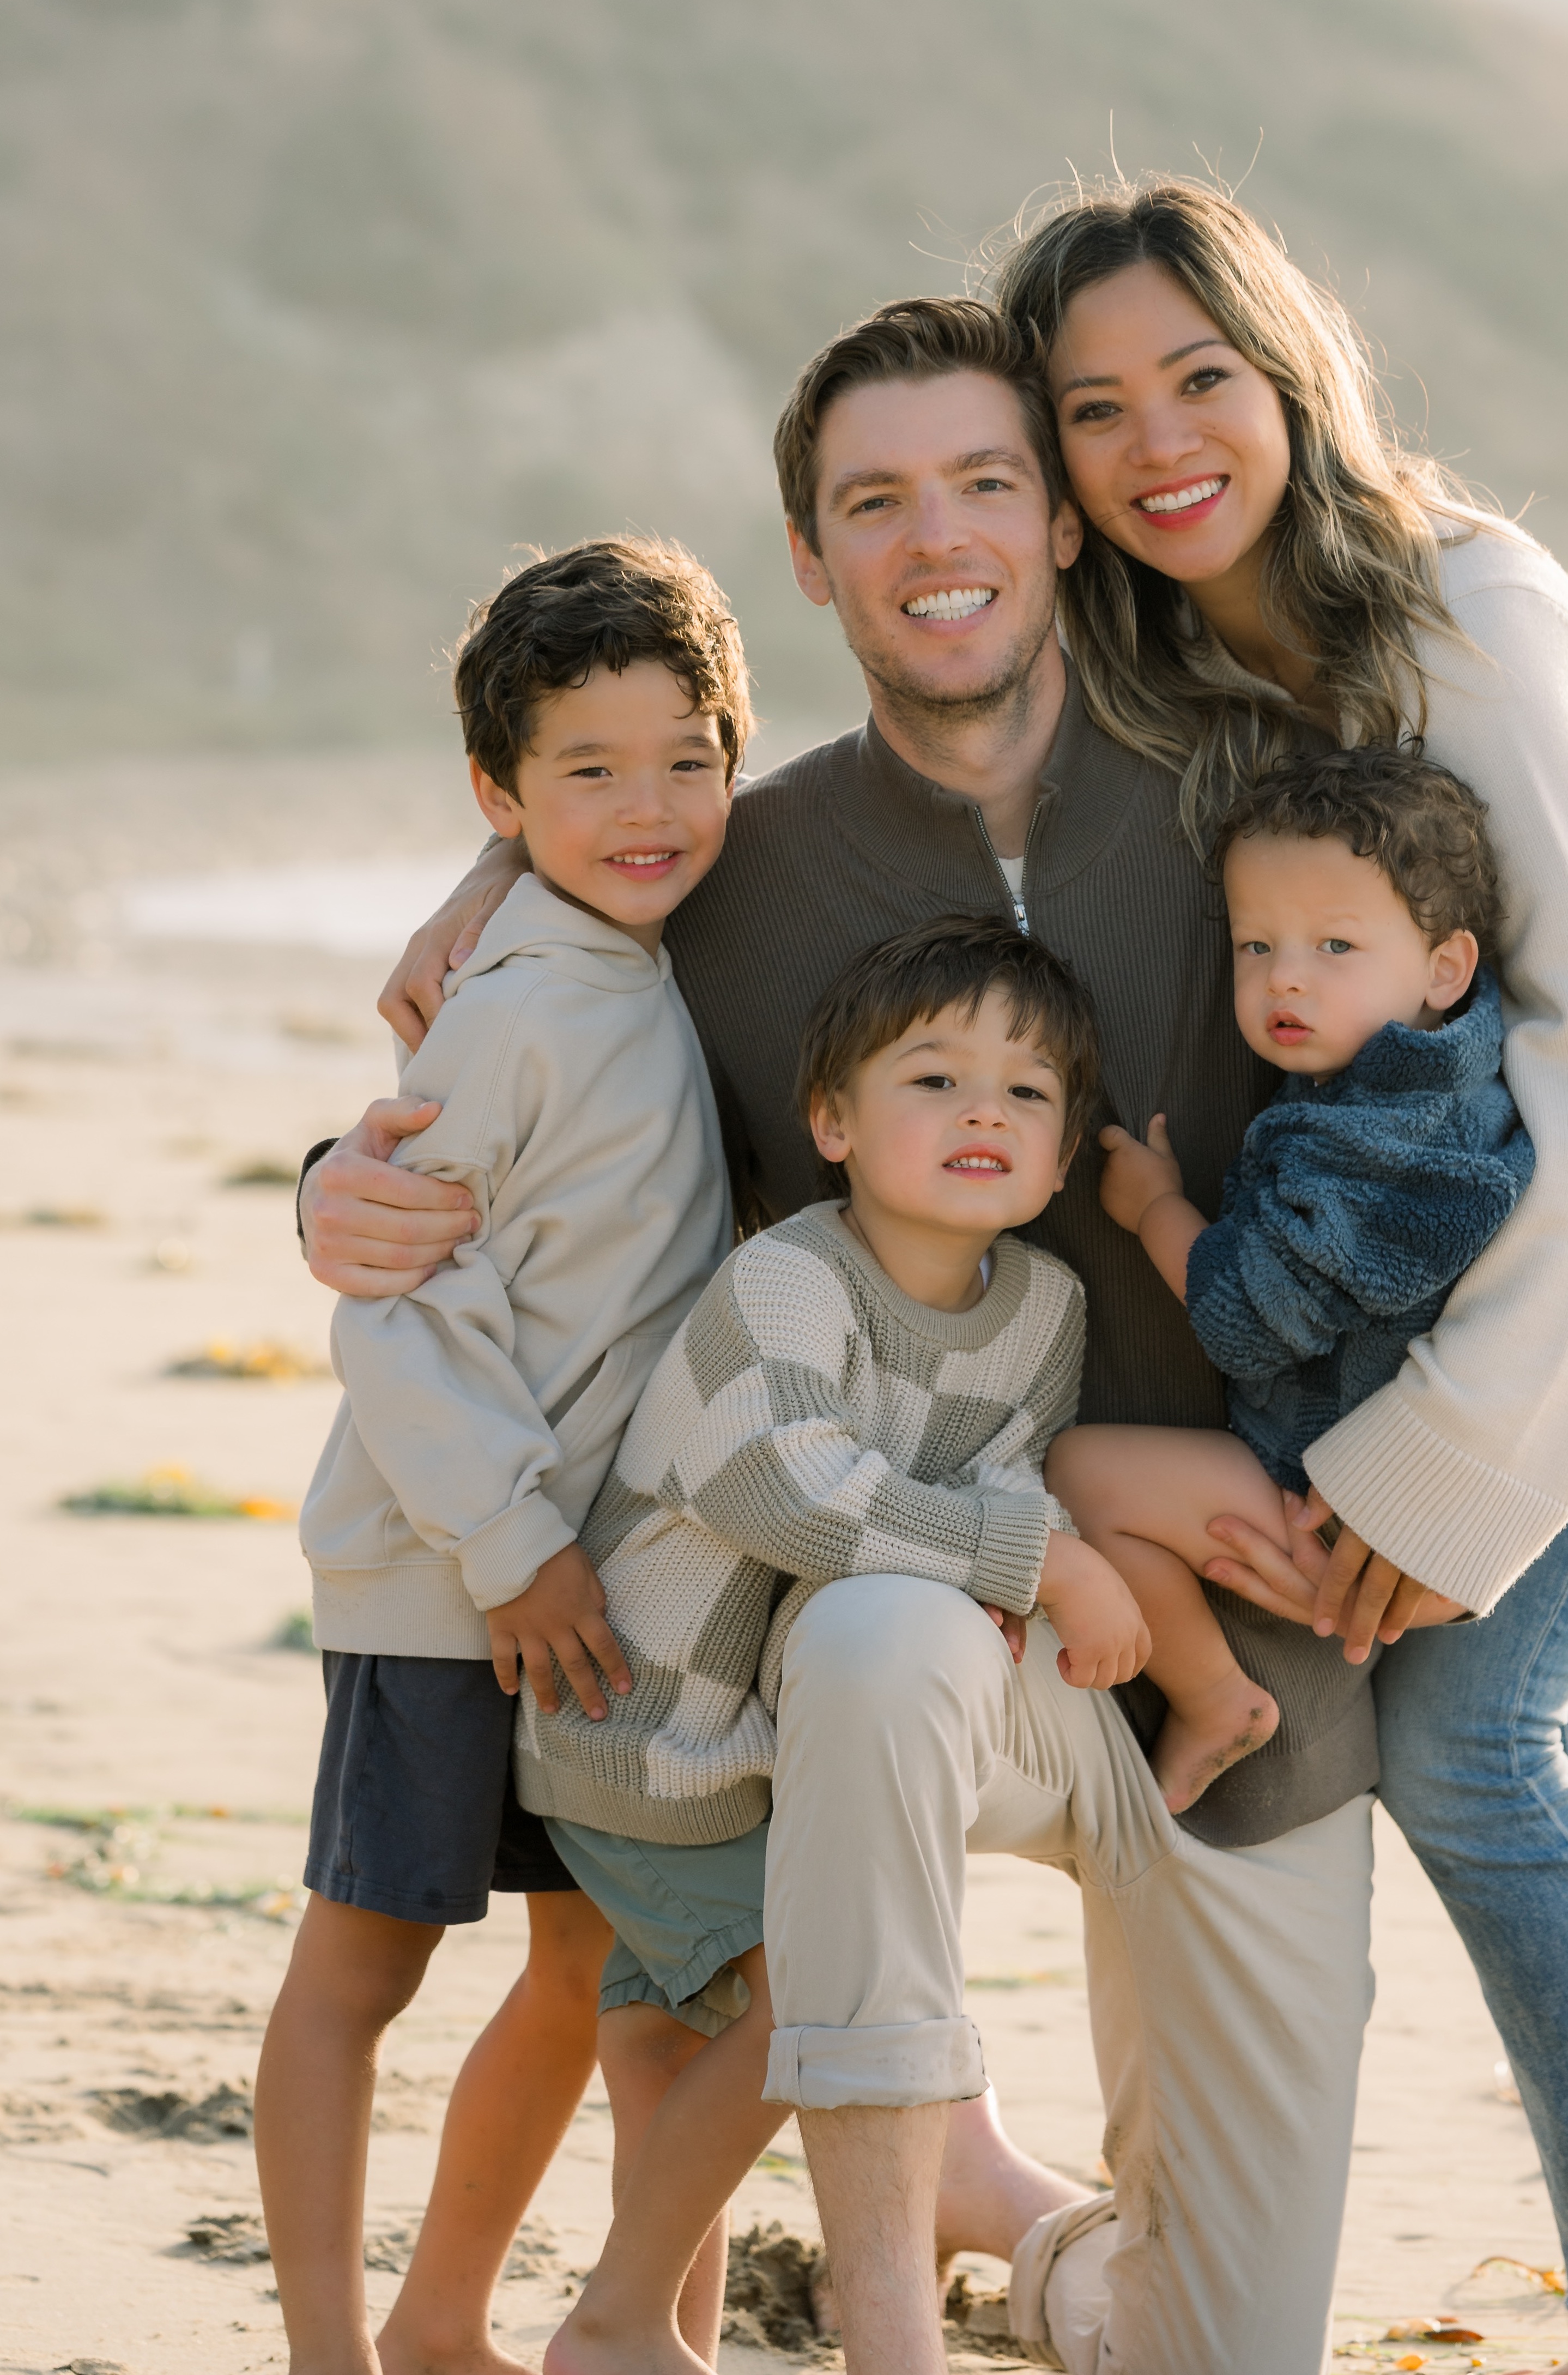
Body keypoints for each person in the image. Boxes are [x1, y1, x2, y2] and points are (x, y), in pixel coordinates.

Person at [302, 297, 1382, 2375]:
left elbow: (1479, 1041)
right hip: (893, 1603)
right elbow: (550, 975)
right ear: (808, 554)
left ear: (1061, 517)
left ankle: (1040, 2249)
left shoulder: (1253, 792)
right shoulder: (732, 870)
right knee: (876, 1644)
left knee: (1227, 2344)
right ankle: (880, 2309)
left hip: (1226, 1648)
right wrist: (334, 1165)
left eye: (985, 480)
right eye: (874, 499)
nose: (935, 533)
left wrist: (1449, 1475)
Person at [991, 176, 1568, 2375]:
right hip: (1464, 1265)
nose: (1159, 438)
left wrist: (1440, 1468)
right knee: (1479, 1745)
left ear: (1289, 372)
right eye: (1096, 406)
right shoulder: (1200, 660)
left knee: (1478, 1745)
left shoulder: (1471, 621)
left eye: (1200, 375)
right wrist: (501, 903)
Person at [525, 918, 1148, 2375]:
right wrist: (1040, 1561)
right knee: (808, 2008)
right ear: (832, 1123)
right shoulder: (790, 1278)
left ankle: (653, 2329)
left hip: (781, 1741)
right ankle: (616, 2318)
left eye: (1027, 1091)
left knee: (680, 2045)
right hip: (657, 1732)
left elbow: (1002, 1475)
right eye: (934, 1078)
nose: (984, 1110)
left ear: (1064, 1155)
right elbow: (787, 1488)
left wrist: (1008, 1550)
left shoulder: (1044, 1308)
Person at [259, 535, 745, 2375]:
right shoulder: (519, 1003)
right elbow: (398, 1306)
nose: (648, 807)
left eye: (686, 758)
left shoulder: (649, 965)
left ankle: (446, 2324)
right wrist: (511, 1542)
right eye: (587, 770)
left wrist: (559, 1557)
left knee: (588, 1967)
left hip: (584, 1584)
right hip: (444, 1570)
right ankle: (329, 2351)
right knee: (361, 1965)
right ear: (501, 791)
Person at [1048, 744, 1533, 1814]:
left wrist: (1156, 1209)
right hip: (1381, 1481)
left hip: (1329, 1506)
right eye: (1256, 945)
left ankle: (1215, 1697)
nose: (1287, 979)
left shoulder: (1383, 1136)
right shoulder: (1422, 1079)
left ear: (1445, 968)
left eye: (1335, 945)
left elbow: (1248, 1317)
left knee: (1081, 1473)